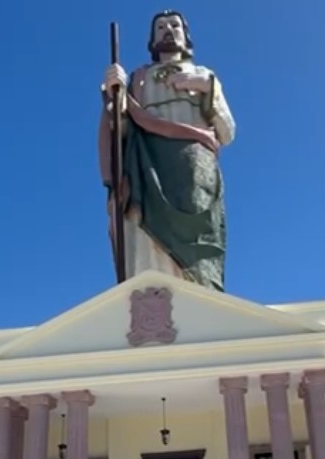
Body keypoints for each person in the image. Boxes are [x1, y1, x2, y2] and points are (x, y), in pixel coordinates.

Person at [97, 9, 236, 291]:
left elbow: (227, 132)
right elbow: (122, 130)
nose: (168, 30)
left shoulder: (204, 75)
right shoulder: (138, 78)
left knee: (197, 235)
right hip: (146, 164)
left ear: (186, 35)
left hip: (192, 166)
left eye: (174, 25)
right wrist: (115, 95)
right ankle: (150, 296)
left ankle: (198, 294)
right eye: (160, 27)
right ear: (152, 39)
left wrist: (207, 89)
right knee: (144, 229)